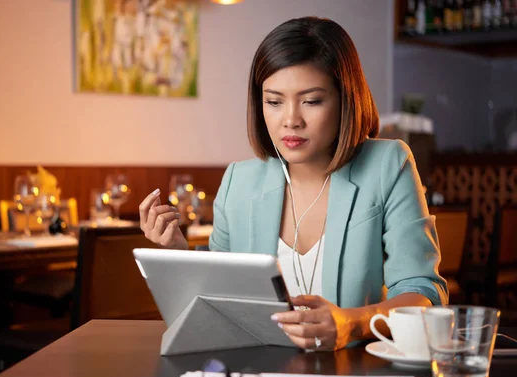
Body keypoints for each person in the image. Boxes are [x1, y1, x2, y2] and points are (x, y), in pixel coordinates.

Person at [138, 16, 448, 351]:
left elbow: (424, 295)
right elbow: (219, 299)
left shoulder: (387, 164)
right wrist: (177, 252)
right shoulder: (238, 181)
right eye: (273, 101)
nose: (291, 120)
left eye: (312, 101)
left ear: (347, 99)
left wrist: (351, 323)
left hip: (357, 375)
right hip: (259, 374)